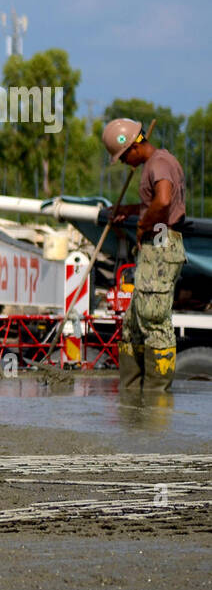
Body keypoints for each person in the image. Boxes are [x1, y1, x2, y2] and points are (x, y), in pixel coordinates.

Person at [102, 118, 187, 392]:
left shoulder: (160, 162)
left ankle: (155, 402)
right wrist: (130, 210)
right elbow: (154, 202)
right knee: (133, 325)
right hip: (155, 244)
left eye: (124, 157)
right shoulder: (153, 164)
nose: (126, 162)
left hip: (161, 240)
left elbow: (163, 202)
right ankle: (131, 396)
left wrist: (142, 224)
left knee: (153, 321)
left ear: (134, 146)